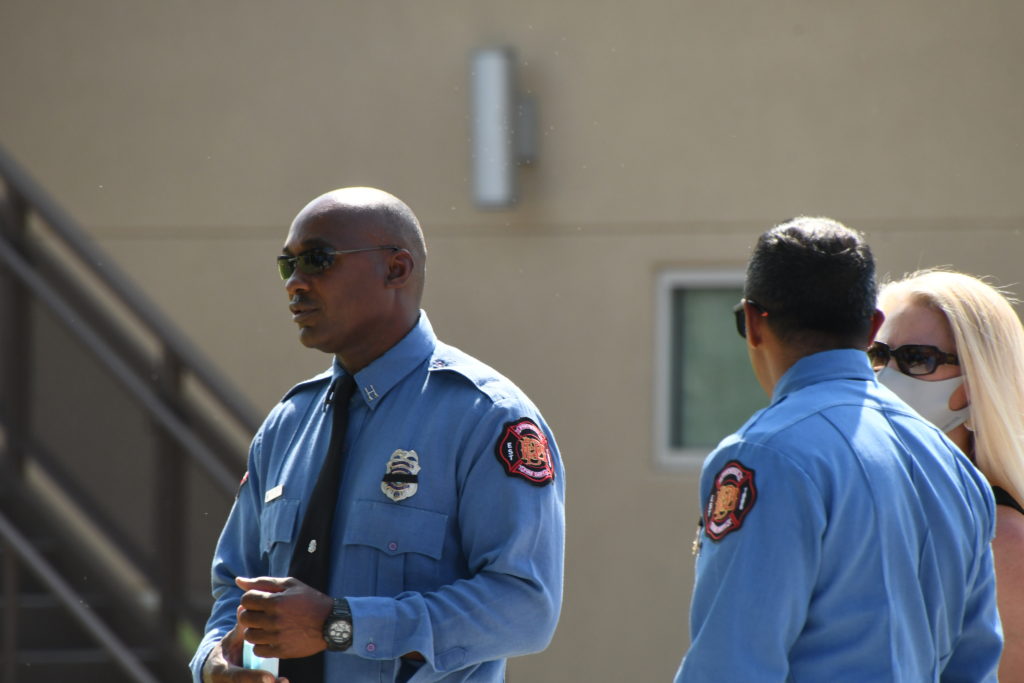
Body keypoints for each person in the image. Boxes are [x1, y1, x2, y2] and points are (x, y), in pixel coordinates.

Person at [189, 187, 565, 682]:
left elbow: (525, 607)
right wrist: (213, 663)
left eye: (317, 260)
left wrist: (340, 624)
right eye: (287, 265)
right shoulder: (287, 424)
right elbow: (232, 588)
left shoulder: (484, 416)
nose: (295, 283)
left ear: (396, 269)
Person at [674, 217, 1002, 681]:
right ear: (872, 328)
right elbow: (975, 669)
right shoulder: (953, 466)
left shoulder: (766, 454)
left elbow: (731, 666)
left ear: (751, 322)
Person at [874, 269, 1024, 681]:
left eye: (917, 359)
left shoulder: (1002, 539)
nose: (885, 377)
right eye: (877, 355)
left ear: (976, 384)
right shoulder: (864, 503)